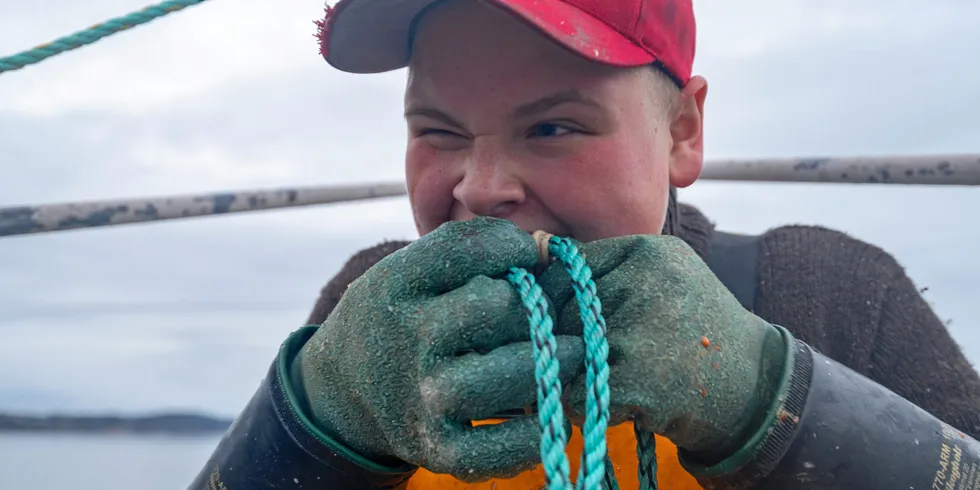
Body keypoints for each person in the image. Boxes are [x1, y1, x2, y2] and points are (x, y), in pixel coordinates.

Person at [190, 0, 980, 488]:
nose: (480, 186)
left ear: (683, 132)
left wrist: (771, 404)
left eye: (552, 126)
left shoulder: (827, 290)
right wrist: (314, 419)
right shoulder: (369, 305)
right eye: (438, 131)